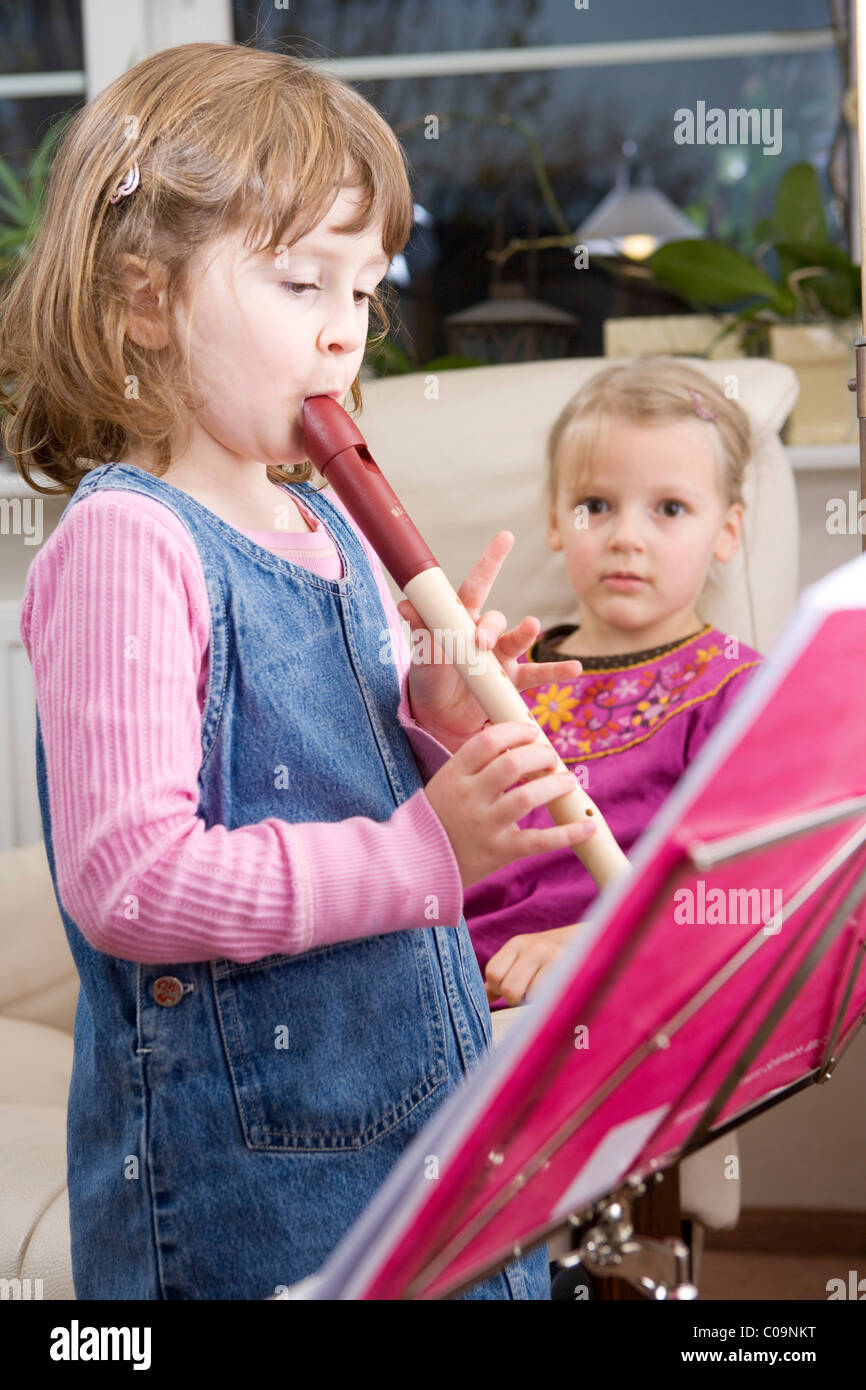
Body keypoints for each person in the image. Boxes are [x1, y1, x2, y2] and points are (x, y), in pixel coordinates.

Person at [1, 42, 598, 1301]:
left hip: (427, 1128)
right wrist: (420, 852)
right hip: (256, 1203)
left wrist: (433, 710)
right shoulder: (128, 543)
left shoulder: (333, 528)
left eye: (365, 291)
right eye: (297, 281)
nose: (342, 331)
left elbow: (351, 768)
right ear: (144, 301)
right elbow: (130, 882)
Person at [459, 359, 765, 1012]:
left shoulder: (737, 689)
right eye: (595, 506)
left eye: (670, 509)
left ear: (727, 531)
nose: (627, 538)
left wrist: (591, 941)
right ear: (554, 521)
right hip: (447, 986)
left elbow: (748, 886)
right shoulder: (498, 671)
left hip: (614, 988)